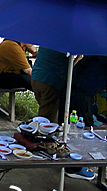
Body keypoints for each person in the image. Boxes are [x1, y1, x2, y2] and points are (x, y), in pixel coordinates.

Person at [32, 47, 95, 180]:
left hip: (37, 77)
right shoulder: (67, 44)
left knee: (44, 117)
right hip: (51, 81)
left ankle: (40, 145)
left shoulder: (51, 39)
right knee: (46, 122)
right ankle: (42, 151)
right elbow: (70, 65)